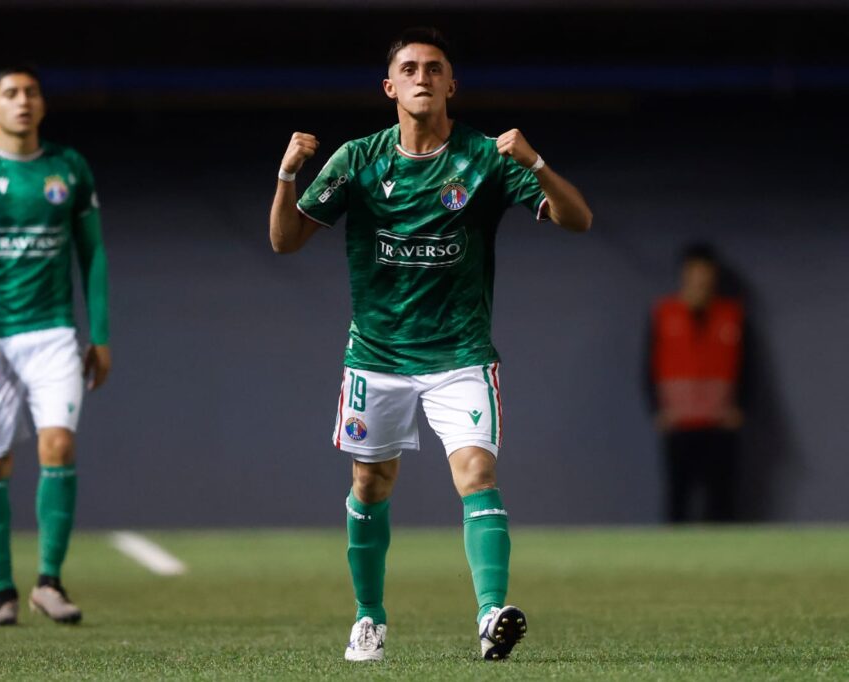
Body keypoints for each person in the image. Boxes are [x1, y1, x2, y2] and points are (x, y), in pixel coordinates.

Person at [269, 27, 592, 662]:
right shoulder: (358, 160)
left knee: (477, 471)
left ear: (451, 84)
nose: (422, 77)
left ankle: (491, 612)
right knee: (371, 483)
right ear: (390, 87)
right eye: (409, 68)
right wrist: (286, 174)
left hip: (460, 355)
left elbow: (578, 219)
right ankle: (368, 618)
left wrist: (535, 163)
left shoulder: (488, 157)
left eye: (434, 68)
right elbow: (285, 241)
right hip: (378, 356)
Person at [0, 66, 111, 626]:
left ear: (42, 104)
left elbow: (94, 254)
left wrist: (99, 334)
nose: (22, 101)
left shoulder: (68, 167)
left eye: (31, 92)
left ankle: (49, 584)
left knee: (57, 445)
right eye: (9, 94)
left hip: (53, 332)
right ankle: (2, 592)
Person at [647, 243, 746, 523]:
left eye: (706, 274)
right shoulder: (664, 313)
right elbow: (650, 365)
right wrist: (657, 408)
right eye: (695, 274)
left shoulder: (732, 315)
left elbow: (748, 367)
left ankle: (726, 560)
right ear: (684, 275)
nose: (700, 281)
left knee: (722, 499)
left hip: (720, 423)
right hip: (679, 422)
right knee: (678, 496)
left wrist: (739, 408)